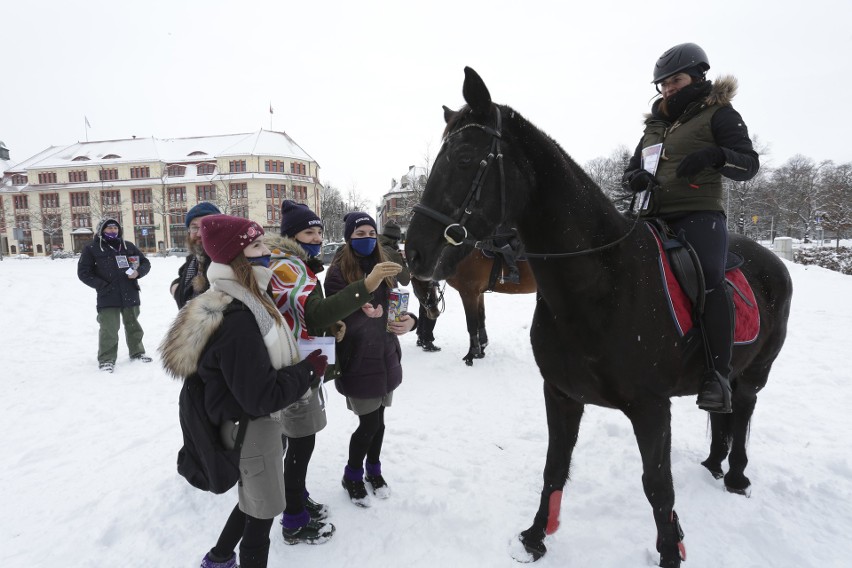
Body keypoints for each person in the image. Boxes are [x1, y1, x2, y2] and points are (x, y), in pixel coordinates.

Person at [159, 214, 328, 568]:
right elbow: (260, 396)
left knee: (255, 500)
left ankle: (219, 558)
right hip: (251, 428)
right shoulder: (237, 315)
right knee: (262, 513)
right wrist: (309, 370)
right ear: (235, 256)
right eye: (256, 246)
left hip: (253, 425)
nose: (267, 251)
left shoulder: (248, 296)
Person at [621, 42, 759, 414]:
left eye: (675, 80)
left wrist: (716, 155)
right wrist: (634, 177)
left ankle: (717, 376)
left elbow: (749, 165)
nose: (668, 89)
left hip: (697, 212)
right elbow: (631, 169)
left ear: (698, 76)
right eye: (662, 84)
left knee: (708, 276)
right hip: (649, 215)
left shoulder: (721, 114)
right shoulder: (654, 126)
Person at [265, 201, 403, 543]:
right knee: (301, 441)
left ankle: (297, 501)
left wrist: (405, 319)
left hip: (370, 355)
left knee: (368, 424)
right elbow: (316, 313)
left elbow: (310, 314)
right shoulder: (293, 268)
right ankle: (295, 513)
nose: (315, 237)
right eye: (308, 232)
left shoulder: (302, 267)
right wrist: (359, 300)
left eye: (317, 231)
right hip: (309, 363)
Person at [324, 212, 417, 507]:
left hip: (385, 353)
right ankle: (352, 475)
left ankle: (373, 470)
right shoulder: (338, 271)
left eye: (370, 233)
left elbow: (396, 304)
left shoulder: (385, 265)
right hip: (358, 358)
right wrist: (359, 309)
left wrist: (410, 321)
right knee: (368, 424)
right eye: (359, 233)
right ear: (349, 237)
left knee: (380, 422)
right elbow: (331, 314)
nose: (366, 238)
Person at [77, 217, 152, 373]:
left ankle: (137, 353)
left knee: (134, 326)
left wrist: (138, 272)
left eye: (115, 228)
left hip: (130, 293)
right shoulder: (92, 248)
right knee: (109, 329)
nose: (113, 231)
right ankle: (106, 359)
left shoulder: (128, 246)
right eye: (109, 228)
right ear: (101, 230)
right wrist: (102, 285)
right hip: (108, 296)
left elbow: (145, 263)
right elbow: (84, 273)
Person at [379, 220, 442, 351]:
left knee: (424, 306)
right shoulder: (392, 251)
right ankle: (426, 339)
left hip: (373, 293)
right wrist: (401, 260)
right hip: (414, 283)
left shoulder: (377, 246)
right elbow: (405, 279)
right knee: (430, 307)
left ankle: (422, 336)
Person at [170, 201, 221, 309]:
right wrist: (174, 288)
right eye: (194, 227)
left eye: (205, 227)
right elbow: (181, 278)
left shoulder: (226, 260)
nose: (199, 233)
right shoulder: (193, 259)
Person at [415, 280, 442, 352]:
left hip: (419, 281)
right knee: (432, 309)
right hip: (427, 282)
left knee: (424, 307)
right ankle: (427, 341)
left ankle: (421, 337)